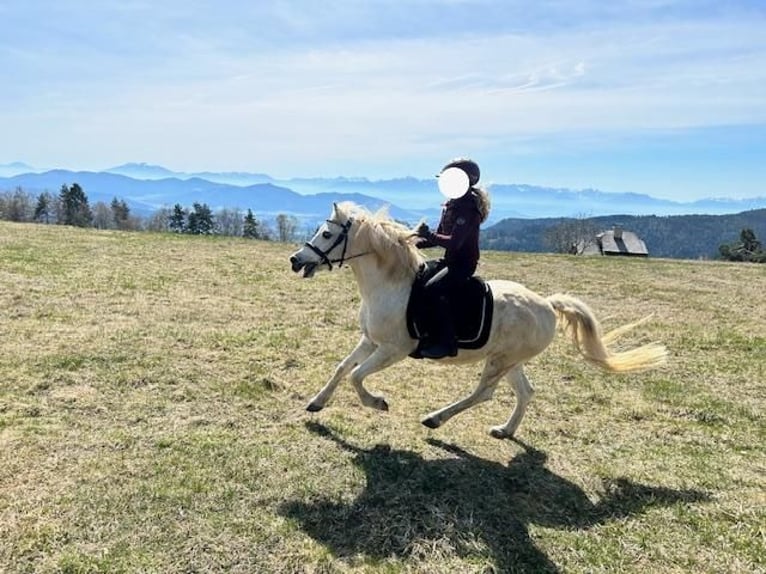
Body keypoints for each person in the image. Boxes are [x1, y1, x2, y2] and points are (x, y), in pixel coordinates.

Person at [414, 158, 491, 358]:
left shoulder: (468, 209)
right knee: (418, 278)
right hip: (449, 261)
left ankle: (446, 343)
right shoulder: (451, 206)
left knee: (434, 289)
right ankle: (422, 334)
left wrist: (429, 235)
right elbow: (439, 238)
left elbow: (454, 242)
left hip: (463, 265)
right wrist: (412, 242)